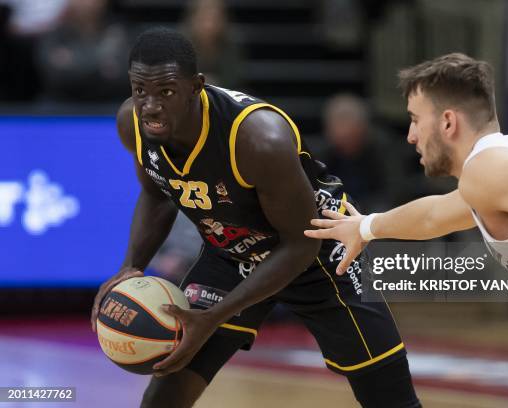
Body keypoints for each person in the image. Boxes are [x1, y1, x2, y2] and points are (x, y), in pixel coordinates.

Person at [90, 27, 420, 408]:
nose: (150, 105)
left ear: (197, 86)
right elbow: (157, 194)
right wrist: (131, 266)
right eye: (139, 90)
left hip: (321, 253)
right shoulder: (132, 123)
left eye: (165, 91)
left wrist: (215, 316)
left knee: (392, 400)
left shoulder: (258, 138)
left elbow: (299, 244)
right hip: (232, 252)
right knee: (164, 393)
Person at [305, 53, 508, 408]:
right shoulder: (493, 174)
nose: (410, 136)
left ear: (448, 122)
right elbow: (434, 215)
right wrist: (366, 227)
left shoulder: (487, 166)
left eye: (416, 120)